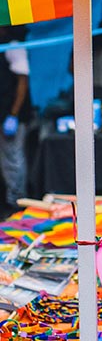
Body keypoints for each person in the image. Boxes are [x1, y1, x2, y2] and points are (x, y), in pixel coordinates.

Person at [0, 26, 32, 214]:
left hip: (12, 116)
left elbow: (22, 82)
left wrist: (13, 115)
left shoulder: (14, 47)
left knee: (13, 158)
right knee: (7, 159)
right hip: (4, 113)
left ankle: (17, 202)